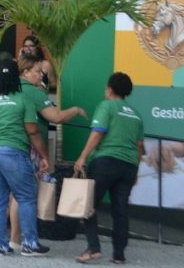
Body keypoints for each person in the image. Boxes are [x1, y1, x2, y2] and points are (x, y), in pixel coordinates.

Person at [10, 55, 87, 249]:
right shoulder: (34, 93)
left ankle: (13, 237)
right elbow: (57, 117)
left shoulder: (9, 89)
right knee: (25, 195)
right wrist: (76, 110)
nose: (41, 76)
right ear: (25, 72)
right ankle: (23, 239)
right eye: (37, 71)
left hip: (8, 147)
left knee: (13, 195)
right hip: (30, 149)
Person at [0, 59, 50, 257]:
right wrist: (44, 156)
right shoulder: (22, 99)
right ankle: (29, 243)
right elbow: (33, 132)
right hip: (14, 152)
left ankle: (0, 244)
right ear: (15, 78)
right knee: (26, 197)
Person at [74, 73, 144, 265]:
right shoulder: (136, 114)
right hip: (129, 166)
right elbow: (139, 147)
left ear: (110, 89)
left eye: (106, 88)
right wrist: (136, 169)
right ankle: (118, 255)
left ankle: (93, 248)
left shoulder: (106, 106)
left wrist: (82, 157)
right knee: (120, 210)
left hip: (106, 162)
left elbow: (98, 133)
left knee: (88, 205)